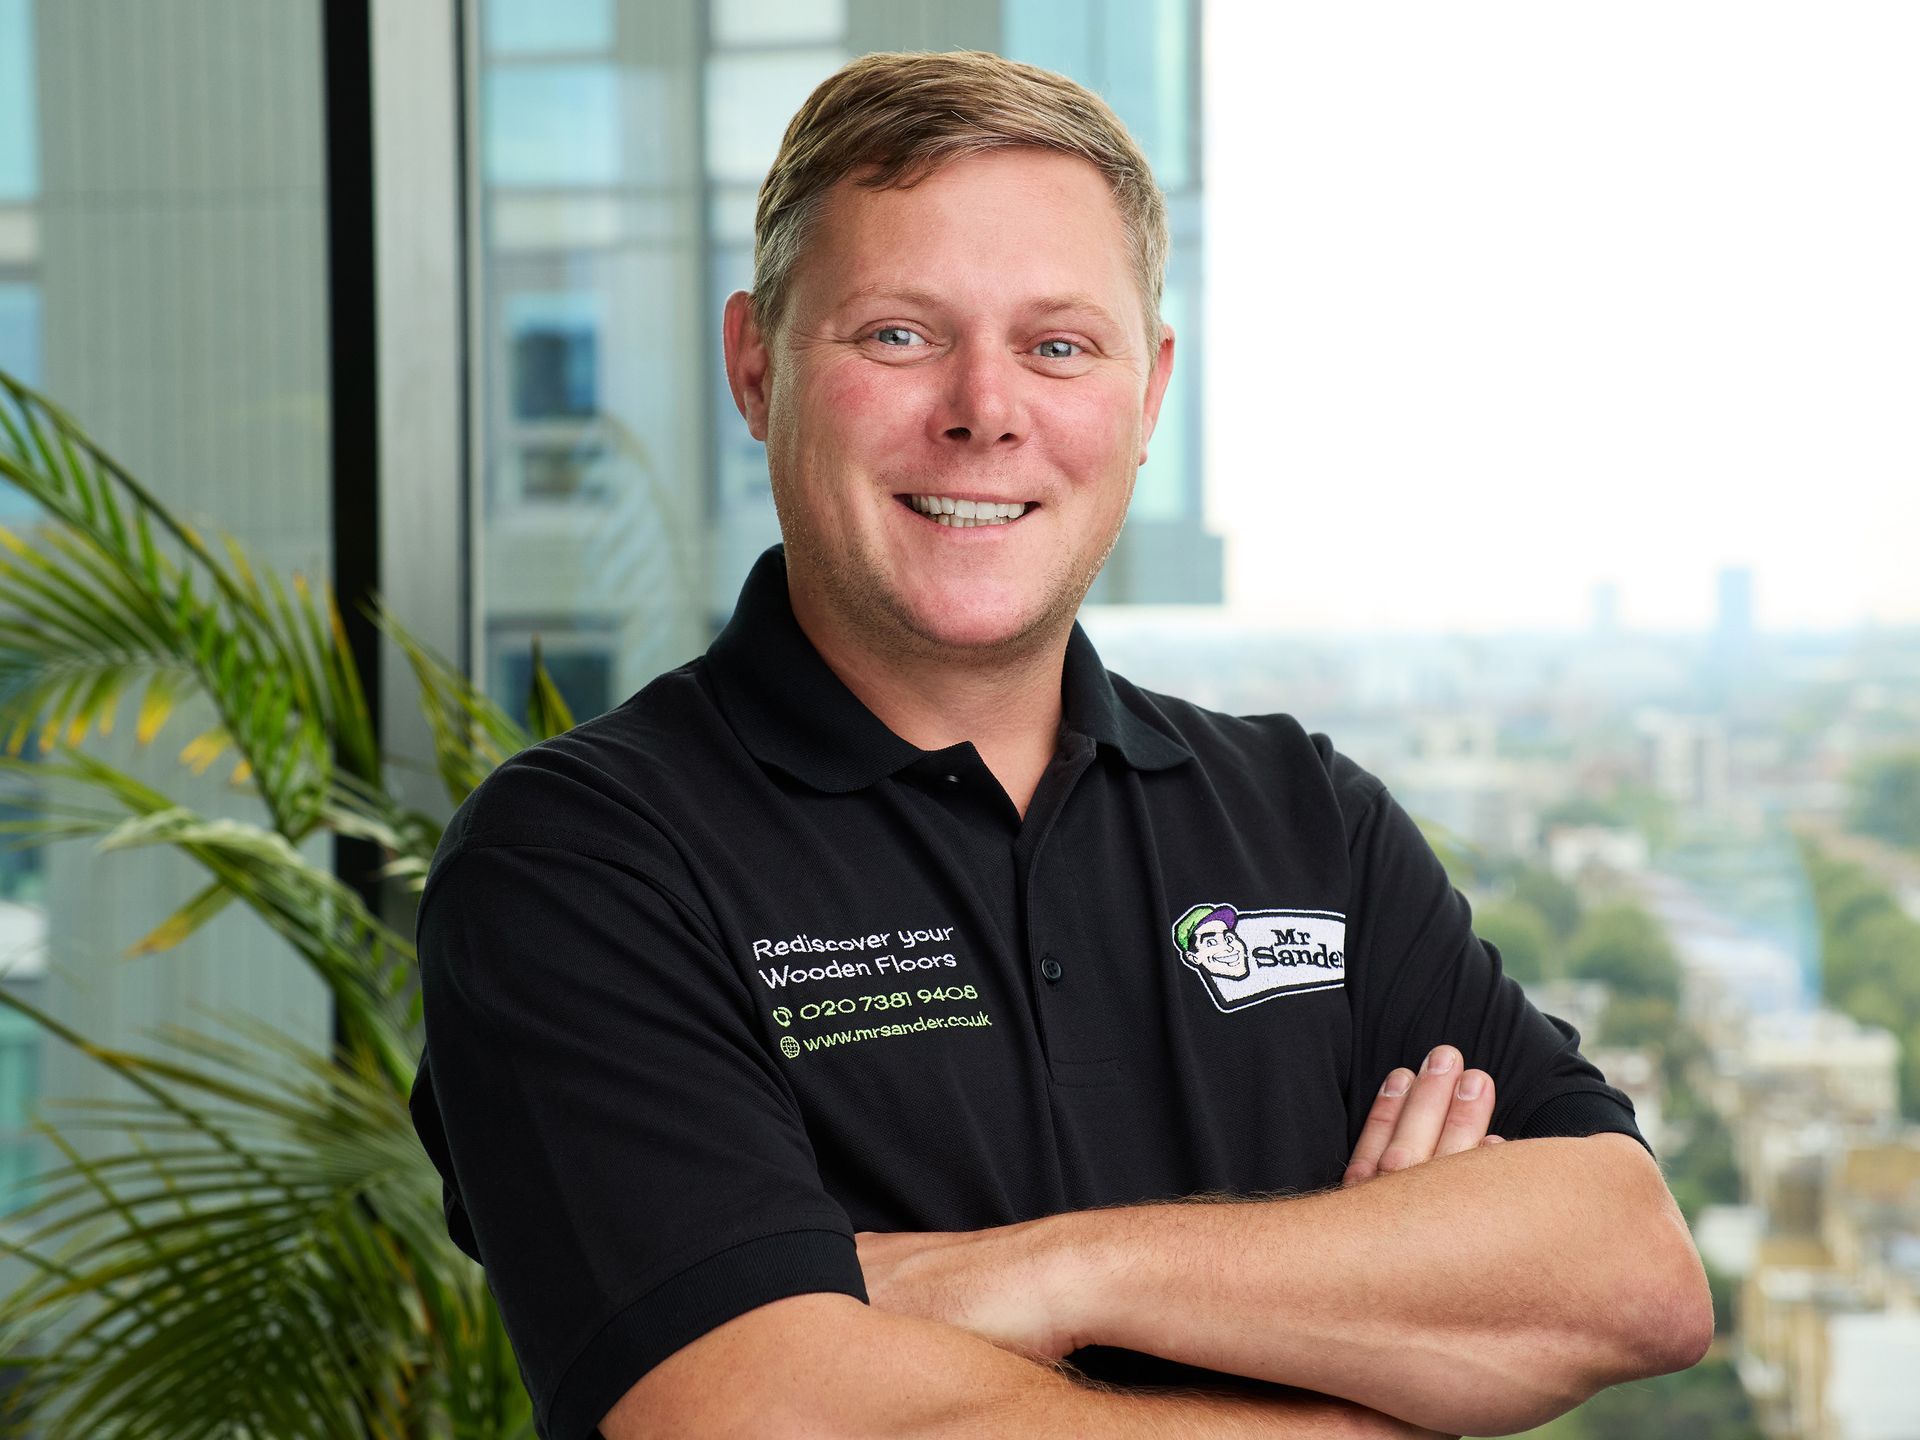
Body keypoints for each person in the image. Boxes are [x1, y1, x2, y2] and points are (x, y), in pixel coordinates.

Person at [408, 48, 1713, 1440]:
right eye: (900, 335)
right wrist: (1350, 1374)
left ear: (1146, 396)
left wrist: (1038, 1275)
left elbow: (1630, 1275)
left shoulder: (1302, 817)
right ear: (753, 366)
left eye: (1058, 344)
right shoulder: (585, 862)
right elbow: (752, 1415)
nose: (985, 408)